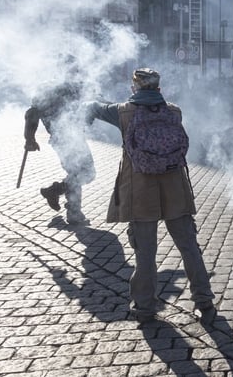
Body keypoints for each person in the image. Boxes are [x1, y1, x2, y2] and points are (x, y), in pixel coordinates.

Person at [85, 68, 215, 325]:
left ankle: (144, 307)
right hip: (174, 187)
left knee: (145, 252)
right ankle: (204, 301)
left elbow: (93, 106)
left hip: (139, 190)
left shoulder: (122, 111)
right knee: (189, 247)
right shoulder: (174, 111)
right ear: (158, 87)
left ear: (135, 87)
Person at [24, 80, 96, 224]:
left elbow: (32, 113)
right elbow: (32, 113)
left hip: (71, 138)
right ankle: (71, 210)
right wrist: (29, 138)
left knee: (78, 174)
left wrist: (29, 138)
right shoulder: (57, 88)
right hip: (66, 140)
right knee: (84, 173)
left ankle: (62, 199)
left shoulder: (70, 86)